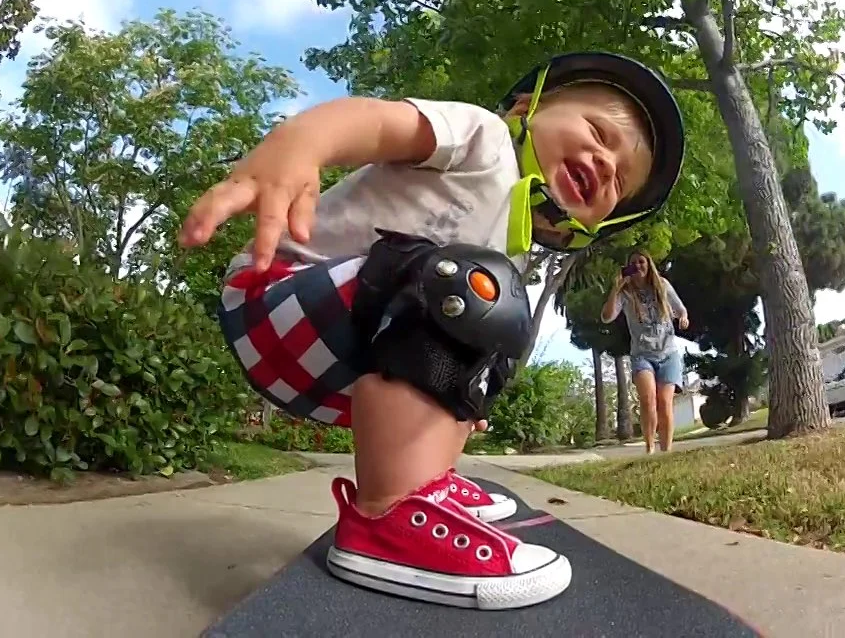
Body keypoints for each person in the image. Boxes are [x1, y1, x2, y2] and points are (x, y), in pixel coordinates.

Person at [178, 52, 685, 610]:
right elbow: (373, 122)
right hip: (276, 296)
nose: (606, 162)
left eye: (620, 180)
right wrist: (299, 145)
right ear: (525, 107)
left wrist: (459, 392)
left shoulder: (512, 252)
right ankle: (385, 520)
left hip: (335, 359)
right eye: (597, 132)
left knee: (493, 328)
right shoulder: (484, 137)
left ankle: (423, 486)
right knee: (468, 289)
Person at [601, 250, 689, 454]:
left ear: (649, 265)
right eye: (633, 263)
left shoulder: (662, 286)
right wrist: (616, 287)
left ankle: (666, 451)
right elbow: (606, 317)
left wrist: (683, 317)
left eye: (642, 262)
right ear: (628, 268)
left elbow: (680, 309)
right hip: (642, 355)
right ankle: (649, 448)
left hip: (668, 353)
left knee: (665, 402)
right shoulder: (625, 294)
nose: (638, 266)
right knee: (648, 398)